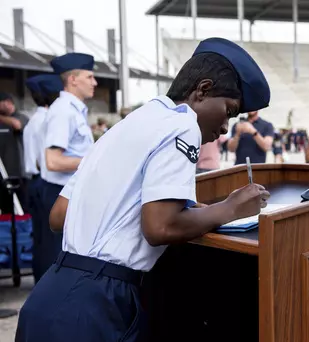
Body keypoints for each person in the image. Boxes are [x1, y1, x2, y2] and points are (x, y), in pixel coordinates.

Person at [15, 37, 271, 342]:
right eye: (229, 111)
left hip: (51, 292)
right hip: (98, 303)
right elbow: (160, 226)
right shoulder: (183, 124)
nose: (226, 127)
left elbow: (59, 215)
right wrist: (231, 207)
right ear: (203, 90)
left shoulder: (127, 125)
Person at [38, 52, 97, 278]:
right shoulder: (63, 111)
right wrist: (93, 162)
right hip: (59, 193)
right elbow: (53, 161)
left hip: (70, 192)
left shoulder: (74, 110)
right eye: (89, 77)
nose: (95, 82)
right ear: (73, 79)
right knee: (59, 256)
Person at [23, 74, 63, 283]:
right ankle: (49, 283)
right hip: (46, 179)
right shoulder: (48, 120)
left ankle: (41, 282)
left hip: (34, 180)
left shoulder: (33, 121)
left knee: (40, 239)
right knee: (51, 241)